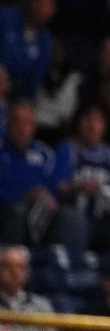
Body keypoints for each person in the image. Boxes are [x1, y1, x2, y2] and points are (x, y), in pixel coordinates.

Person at [0, 99, 85, 251]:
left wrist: (48, 197)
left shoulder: (46, 154)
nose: (21, 127)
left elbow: (53, 187)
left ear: (33, 127)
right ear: (7, 124)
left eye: (27, 122)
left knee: (71, 216)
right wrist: (24, 196)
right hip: (8, 211)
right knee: (17, 210)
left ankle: (59, 265)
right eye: (16, 121)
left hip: (41, 212)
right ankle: (14, 260)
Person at [59, 103, 110, 254]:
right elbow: (56, 186)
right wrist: (77, 188)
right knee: (75, 220)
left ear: (105, 126)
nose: (92, 125)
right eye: (88, 119)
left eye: (98, 120)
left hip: (104, 220)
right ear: (78, 123)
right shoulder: (67, 150)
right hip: (72, 218)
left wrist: (108, 190)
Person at [0, 244, 52, 319]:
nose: (15, 272)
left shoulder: (41, 305)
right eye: (8, 266)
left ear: (27, 272)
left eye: (21, 267)